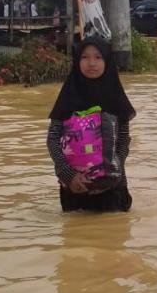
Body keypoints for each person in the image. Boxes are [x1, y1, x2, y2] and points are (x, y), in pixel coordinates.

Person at [47, 36, 135, 213]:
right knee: (75, 236)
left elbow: (123, 141)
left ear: (107, 61)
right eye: (85, 57)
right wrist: (69, 176)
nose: (91, 63)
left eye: (98, 57)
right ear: (77, 60)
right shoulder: (68, 94)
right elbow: (53, 139)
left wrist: (111, 175)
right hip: (74, 189)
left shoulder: (115, 96)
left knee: (112, 235)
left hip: (112, 190)